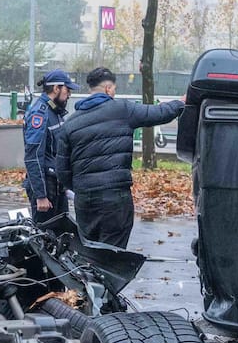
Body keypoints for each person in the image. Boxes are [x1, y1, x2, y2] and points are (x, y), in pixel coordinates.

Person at [56, 67, 185, 248]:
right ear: (108, 89)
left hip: (84, 200)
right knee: (113, 254)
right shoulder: (122, 110)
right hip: (114, 197)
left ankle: (89, 276)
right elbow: (159, 113)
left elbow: (62, 171)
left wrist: (82, 186)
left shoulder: (70, 124)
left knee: (89, 252)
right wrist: (181, 102)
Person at [22, 69, 76, 226]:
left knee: (63, 235)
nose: (70, 94)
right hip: (46, 187)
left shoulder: (55, 112)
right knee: (45, 239)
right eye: (67, 89)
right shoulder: (40, 114)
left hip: (57, 185)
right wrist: (40, 195)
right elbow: (33, 157)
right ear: (56, 88)